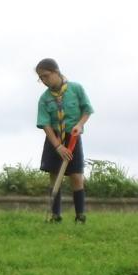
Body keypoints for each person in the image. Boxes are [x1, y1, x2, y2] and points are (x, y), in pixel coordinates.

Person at [35, 58, 94, 223]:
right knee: (55, 176)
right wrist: (58, 146)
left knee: (76, 176)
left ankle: (80, 216)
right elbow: (45, 124)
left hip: (72, 136)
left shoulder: (76, 89)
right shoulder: (44, 99)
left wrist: (80, 124)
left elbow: (87, 110)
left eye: (46, 76)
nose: (44, 81)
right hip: (54, 139)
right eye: (41, 78)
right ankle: (55, 215)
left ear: (56, 72)